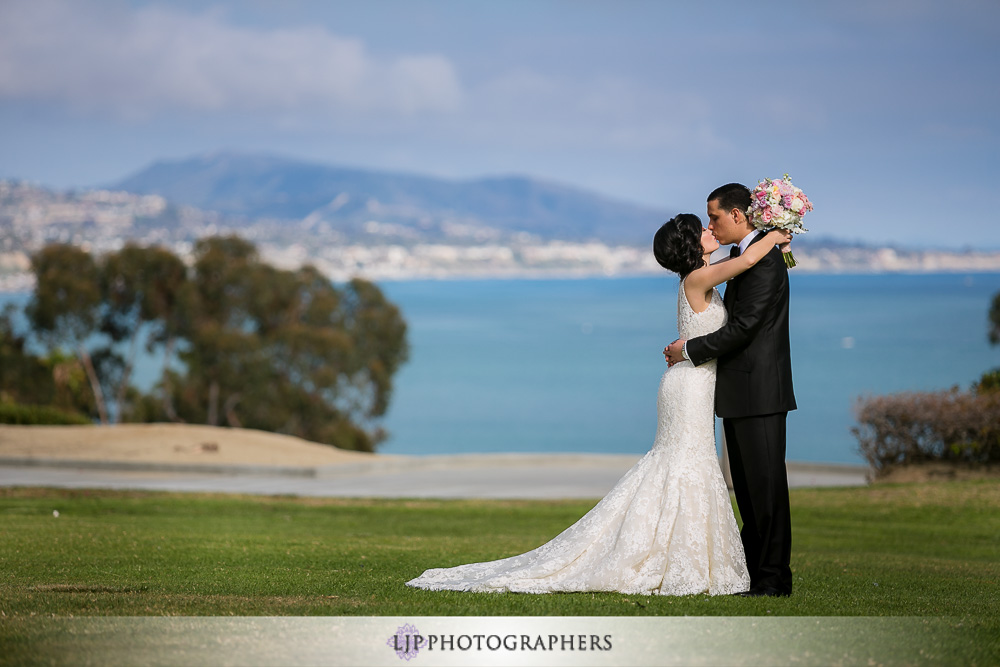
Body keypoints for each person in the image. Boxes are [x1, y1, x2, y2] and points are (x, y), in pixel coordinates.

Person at [405, 210, 791, 596]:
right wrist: (775, 234)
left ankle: (687, 553)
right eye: (704, 228)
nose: (711, 230)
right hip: (690, 385)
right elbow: (748, 260)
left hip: (691, 382)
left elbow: (738, 263)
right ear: (692, 245)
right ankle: (680, 556)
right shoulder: (700, 277)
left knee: (682, 465)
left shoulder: (701, 276)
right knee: (685, 464)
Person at [664, 183, 797, 598]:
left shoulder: (764, 261)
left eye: (715, 217)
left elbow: (744, 328)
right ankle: (755, 573)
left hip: (760, 391)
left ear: (738, 215)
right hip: (736, 392)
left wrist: (689, 349)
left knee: (767, 489)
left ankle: (773, 579)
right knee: (750, 490)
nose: (712, 225)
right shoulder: (743, 257)